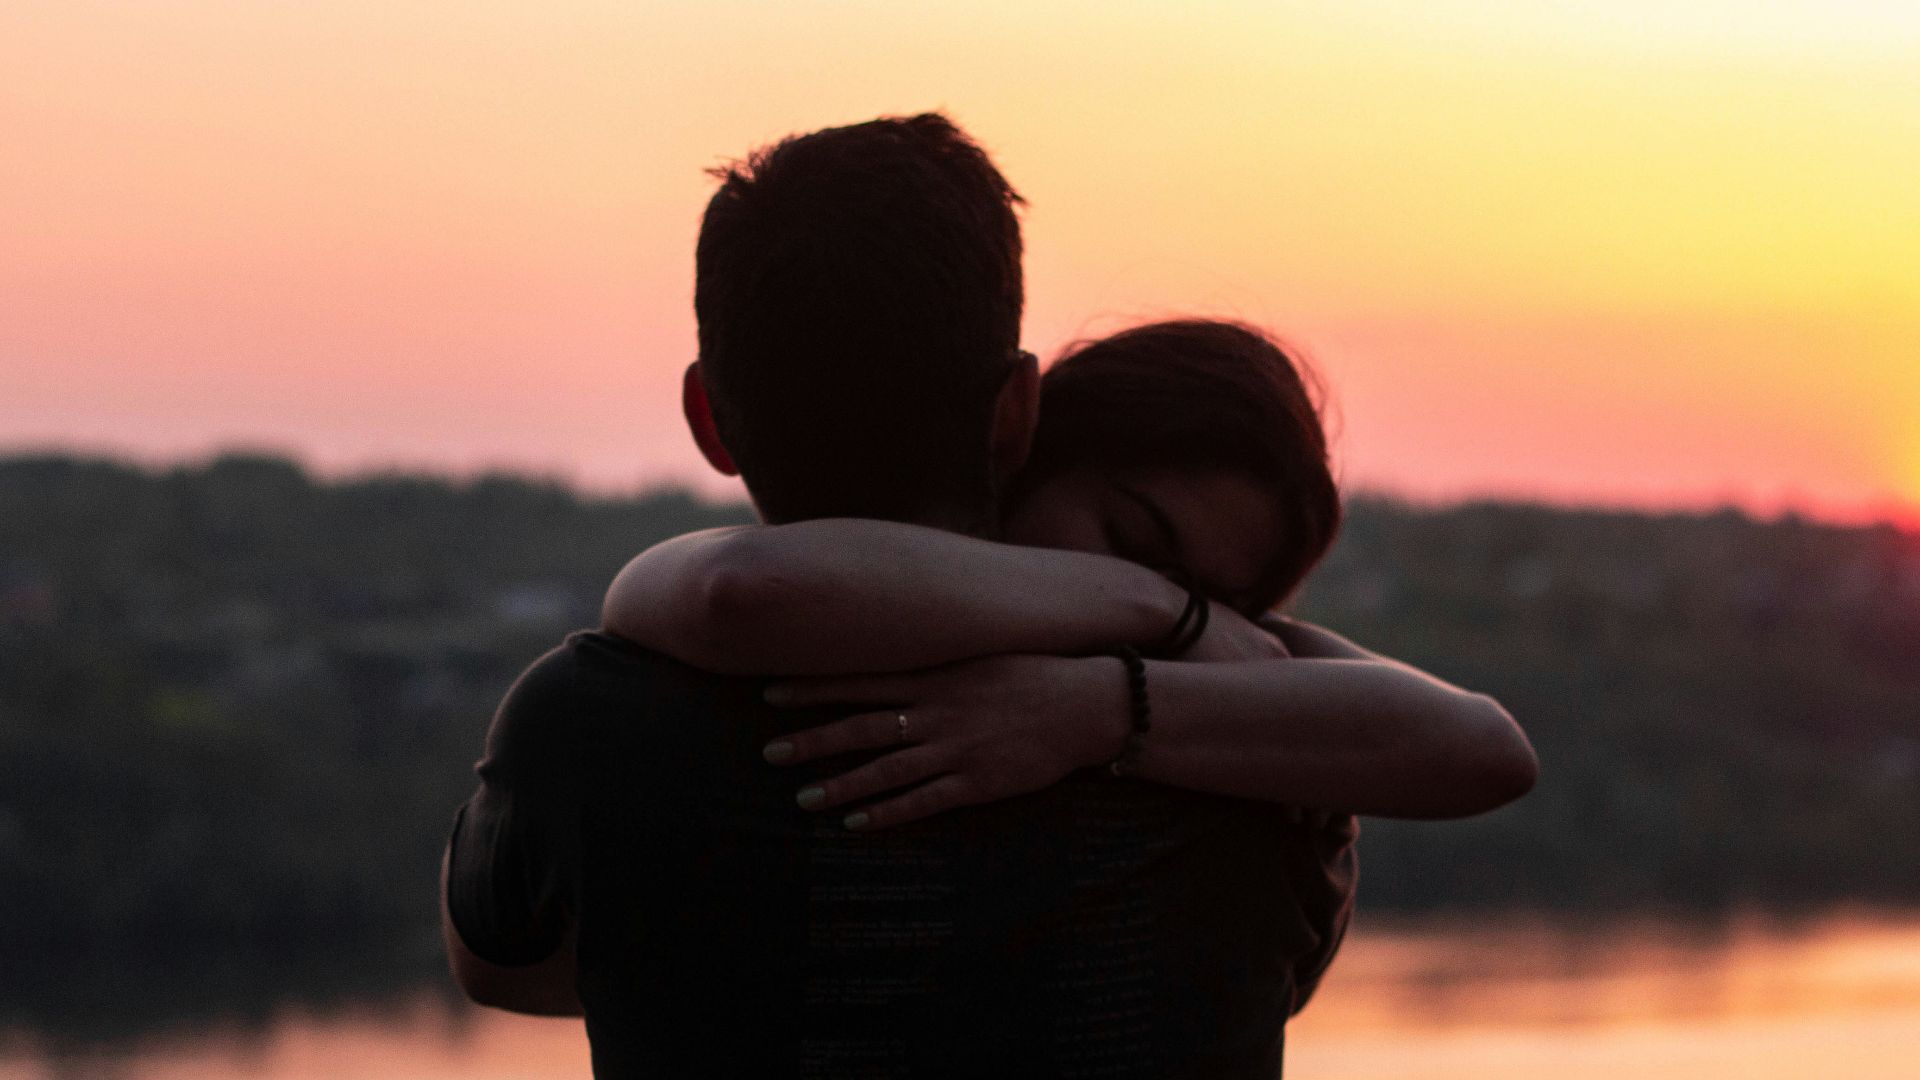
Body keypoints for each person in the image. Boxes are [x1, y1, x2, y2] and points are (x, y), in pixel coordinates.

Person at [438, 113, 1521, 1078]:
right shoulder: (1253, 752)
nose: (1163, 595)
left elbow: (507, 970)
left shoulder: (590, 724)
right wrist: (1167, 629)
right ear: (1018, 419)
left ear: (709, 419)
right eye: (1140, 556)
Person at [597, 317, 1537, 1015]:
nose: (1151, 597)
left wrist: (1106, 708)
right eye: (1127, 536)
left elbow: (1484, 749)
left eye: (1208, 596)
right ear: (1032, 446)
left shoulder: (1195, 685)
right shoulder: (862, 604)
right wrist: (1157, 610)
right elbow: (735, 586)